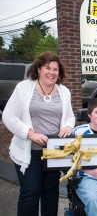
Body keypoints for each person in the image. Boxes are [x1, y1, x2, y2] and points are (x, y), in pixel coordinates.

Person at [2, 52, 75, 216]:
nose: (52, 72)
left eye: (55, 69)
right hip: (30, 151)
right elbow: (8, 116)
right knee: (30, 193)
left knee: (51, 193)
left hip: (54, 151)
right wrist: (30, 134)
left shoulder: (64, 92)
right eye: (47, 68)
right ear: (39, 69)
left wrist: (68, 126)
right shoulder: (24, 88)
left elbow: (69, 116)